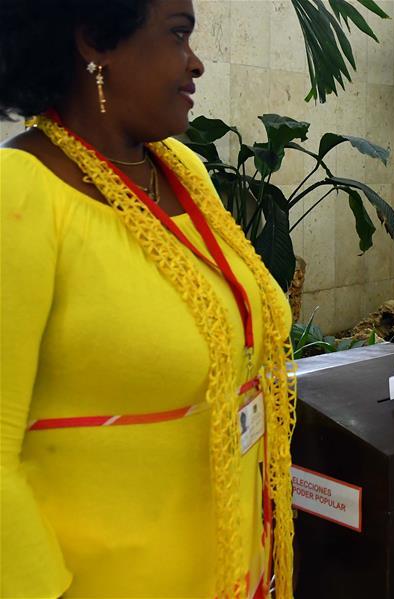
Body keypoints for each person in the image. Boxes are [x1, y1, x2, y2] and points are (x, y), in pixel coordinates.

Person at [0, 1, 295, 597]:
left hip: (238, 569)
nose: (197, 64)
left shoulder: (180, 168)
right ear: (93, 41)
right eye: (178, 36)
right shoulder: (20, 191)